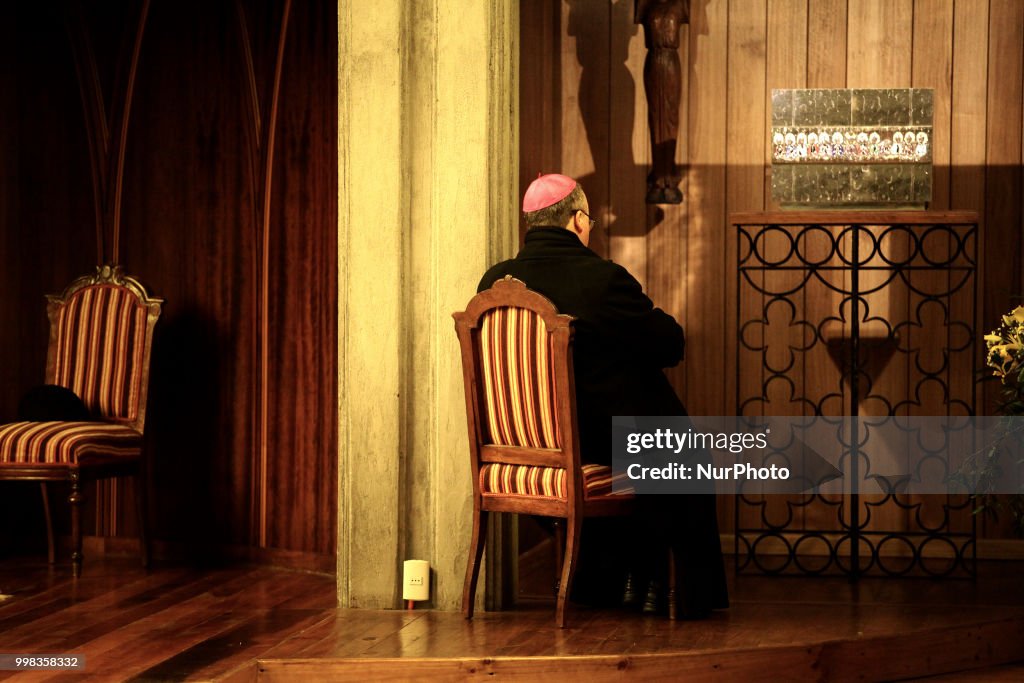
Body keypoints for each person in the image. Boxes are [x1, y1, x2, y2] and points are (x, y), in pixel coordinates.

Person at [478, 173, 728, 618]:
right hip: (592, 445)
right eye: (588, 219)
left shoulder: (494, 284)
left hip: (521, 451)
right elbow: (670, 344)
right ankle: (665, 587)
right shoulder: (602, 279)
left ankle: (602, 580)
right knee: (678, 448)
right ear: (577, 220)